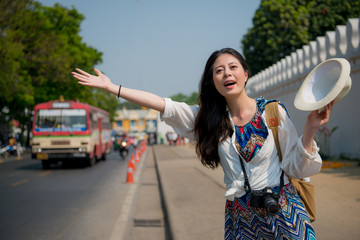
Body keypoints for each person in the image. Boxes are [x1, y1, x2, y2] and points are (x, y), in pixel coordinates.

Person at [72, 48, 333, 240]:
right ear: (213, 82)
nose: (226, 73)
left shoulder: (272, 113)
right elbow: (163, 104)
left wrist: (310, 128)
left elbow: (297, 168)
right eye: (219, 71)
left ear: (245, 74)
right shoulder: (210, 120)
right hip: (240, 218)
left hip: (284, 212)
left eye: (232, 67)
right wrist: (113, 88)